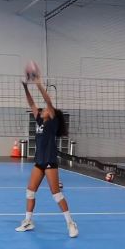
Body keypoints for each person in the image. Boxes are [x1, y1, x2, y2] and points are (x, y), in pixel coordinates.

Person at [16, 61, 78, 238]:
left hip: (50, 161)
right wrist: (25, 87)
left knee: (56, 194)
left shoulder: (52, 121)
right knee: (30, 191)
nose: (42, 110)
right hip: (39, 162)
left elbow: (48, 101)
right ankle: (28, 221)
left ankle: (71, 223)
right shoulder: (39, 120)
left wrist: (37, 83)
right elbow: (31, 103)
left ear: (51, 114)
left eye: (45, 110)